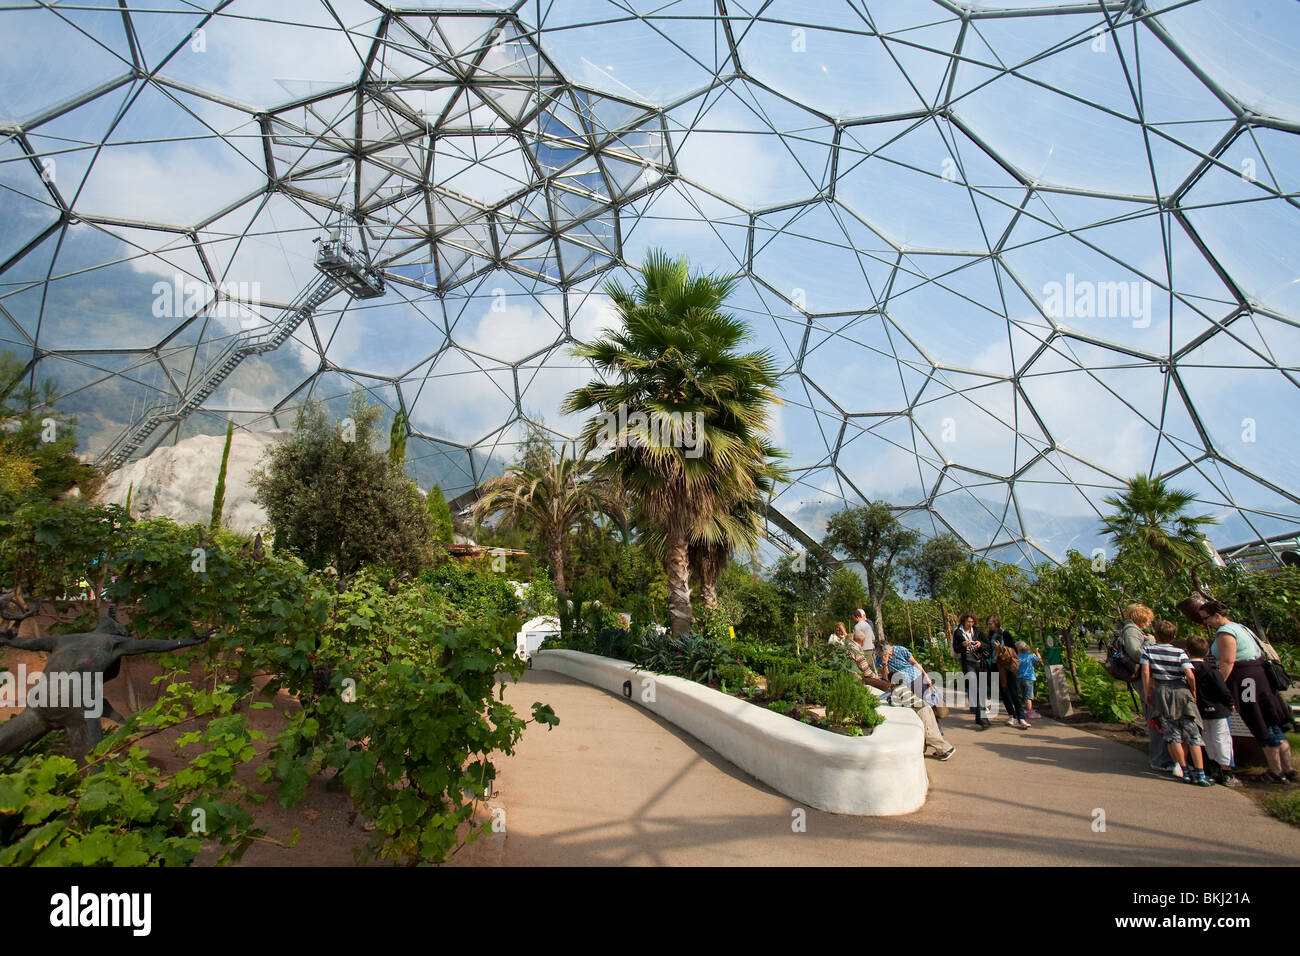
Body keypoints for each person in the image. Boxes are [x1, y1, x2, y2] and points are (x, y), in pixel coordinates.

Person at [1199, 602, 1296, 784]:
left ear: (1217, 615)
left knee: (1259, 721)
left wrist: (1217, 686)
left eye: (1206, 618)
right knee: (1272, 722)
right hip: (1259, 678)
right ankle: (1287, 768)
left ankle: (1276, 771)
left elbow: (1227, 661)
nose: (1206, 623)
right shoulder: (1240, 627)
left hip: (1246, 681)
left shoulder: (1225, 632)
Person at [846, 633, 954, 760]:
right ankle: (930, 744)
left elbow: (915, 663)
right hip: (908, 686)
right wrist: (885, 664)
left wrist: (927, 676)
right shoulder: (881, 660)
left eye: (887, 654)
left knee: (930, 715)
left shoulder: (900, 650)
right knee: (925, 715)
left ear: (889, 649)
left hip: (918, 679)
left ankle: (941, 744)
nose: (888, 656)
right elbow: (886, 678)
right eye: (884, 655)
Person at [1141, 620, 1213, 786]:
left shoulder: (1148, 651)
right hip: (1181, 691)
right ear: (1174, 636)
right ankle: (1200, 773)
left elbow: (1145, 672)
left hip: (1162, 692)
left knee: (1172, 734)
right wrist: (1193, 692)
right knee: (1192, 732)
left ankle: (1184, 770)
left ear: (1156, 636)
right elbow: (1189, 675)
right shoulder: (1180, 652)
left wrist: (1147, 692)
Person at [1120, 603, 1174, 774]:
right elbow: (1136, 653)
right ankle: (1160, 759)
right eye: (1148, 618)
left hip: (1148, 678)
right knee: (1155, 718)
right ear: (1141, 617)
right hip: (1144, 680)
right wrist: (1150, 641)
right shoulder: (1131, 631)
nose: (1150, 622)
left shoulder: (1134, 630)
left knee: (1157, 716)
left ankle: (1163, 757)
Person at [1186, 633, 1241, 787]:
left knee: (1207, 738)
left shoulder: (1187, 669)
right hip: (1217, 710)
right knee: (1222, 738)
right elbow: (1222, 688)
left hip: (1199, 710)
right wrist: (1230, 702)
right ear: (1207, 652)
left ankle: (1213, 767)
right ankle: (1227, 771)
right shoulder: (1211, 670)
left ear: (1187, 652)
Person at [987, 615, 1028, 728]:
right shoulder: (991, 635)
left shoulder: (1005, 634)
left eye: (990, 623)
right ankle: (1011, 715)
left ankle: (1021, 717)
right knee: (1004, 691)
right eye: (988, 624)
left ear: (996, 623)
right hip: (995, 666)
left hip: (1006, 666)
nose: (989, 626)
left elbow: (1013, 650)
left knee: (1013, 691)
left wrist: (1001, 647)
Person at [952, 611, 991, 728]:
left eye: (972, 621)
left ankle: (980, 717)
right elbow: (956, 648)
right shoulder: (958, 632)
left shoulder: (978, 631)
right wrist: (963, 645)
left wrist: (980, 644)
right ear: (963, 621)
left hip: (979, 662)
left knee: (981, 689)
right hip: (968, 662)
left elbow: (988, 645)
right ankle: (982, 717)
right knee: (975, 688)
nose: (970, 624)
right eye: (968, 621)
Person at [1017, 641, 1042, 719]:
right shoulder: (1030, 656)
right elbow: (1039, 660)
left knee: (1024, 695)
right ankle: (1030, 712)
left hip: (1020, 678)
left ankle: (1027, 710)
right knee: (1029, 696)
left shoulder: (1017, 656)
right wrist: (1037, 652)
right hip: (1028, 678)